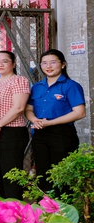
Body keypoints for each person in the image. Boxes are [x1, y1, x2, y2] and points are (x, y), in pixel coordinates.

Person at [25, 49, 85, 198]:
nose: (48, 66)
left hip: (63, 135)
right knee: (43, 174)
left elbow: (79, 112)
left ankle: (65, 212)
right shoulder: (37, 86)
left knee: (62, 176)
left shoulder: (71, 86)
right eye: (44, 63)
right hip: (40, 134)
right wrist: (34, 120)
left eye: (53, 62)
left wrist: (50, 123)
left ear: (63, 64)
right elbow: (28, 109)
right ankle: (45, 211)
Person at [0, 51, 30, 200]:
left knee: (11, 172)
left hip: (12, 131)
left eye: (5, 61)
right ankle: (4, 206)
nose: (0, 64)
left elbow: (18, 108)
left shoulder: (19, 80)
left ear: (13, 63)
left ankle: (15, 207)